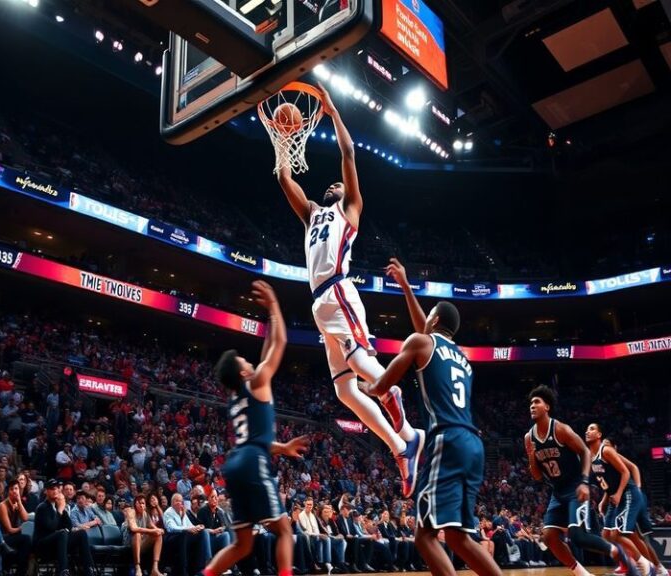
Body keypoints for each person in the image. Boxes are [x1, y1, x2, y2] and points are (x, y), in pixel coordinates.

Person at [275, 84, 423, 496]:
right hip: (320, 303)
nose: (332, 186)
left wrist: (333, 110)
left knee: (363, 368)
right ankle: (400, 446)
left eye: (337, 186)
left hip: (339, 290)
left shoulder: (349, 210)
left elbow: (348, 155)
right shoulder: (311, 215)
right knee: (343, 390)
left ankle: (398, 406)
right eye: (331, 186)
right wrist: (283, 139)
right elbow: (285, 177)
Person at [367, 258, 503, 576]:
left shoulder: (421, 342)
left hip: (448, 440)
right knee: (458, 537)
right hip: (473, 445)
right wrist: (404, 286)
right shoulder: (463, 358)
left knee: (425, 535)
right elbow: (424, 336)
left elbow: (383, 386)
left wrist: (367, 385)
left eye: (428, 316)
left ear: (435, 318)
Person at [201, 281, 309, 576]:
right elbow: (280, 344)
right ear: (243, 372)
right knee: (285, 531)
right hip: (251, 462)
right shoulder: (258, 381)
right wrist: (274, 305)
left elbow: (255, 440)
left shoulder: (237, 396)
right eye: (243, 360)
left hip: (236, 462)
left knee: (242, 545)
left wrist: (283, 448)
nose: (249, 360)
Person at [524, 386, 637, 576]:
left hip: (575, 486)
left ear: (547, 407)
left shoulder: (560, 429)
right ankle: (583, 574)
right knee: (549, 536)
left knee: (578, 537)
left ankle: (617, 552)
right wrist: (531, 456)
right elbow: (536, 476)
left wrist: (584, 482)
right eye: (530, 403)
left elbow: (584, 451)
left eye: (537, 402)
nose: (532, 406)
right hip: (557, 490)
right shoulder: (529, 438)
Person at [585, 424, 656, 576]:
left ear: (599, 435)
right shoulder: (591, 458)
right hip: (614, 496)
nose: (587, 431)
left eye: (591, 429)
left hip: (627, 493)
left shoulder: (606, 450)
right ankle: (626, 564)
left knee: (622, 534)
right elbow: (607, 482)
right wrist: (604, 499)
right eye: (586, 429)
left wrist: (623, 492)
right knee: (606, 536)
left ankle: (647, 565)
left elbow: (626, 471)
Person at [32, 479, 96, 576]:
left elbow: (69, 527)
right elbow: (51, 527)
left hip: (57, 542)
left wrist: (63, 509)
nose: (55, 491)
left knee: (81, 533)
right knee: (62, 533)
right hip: (43, 545)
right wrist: (61, 510)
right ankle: (64, 571)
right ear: (46, 491)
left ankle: (90, 569)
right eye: (52, 489)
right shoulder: (42, 507)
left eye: (57, 488)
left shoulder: (58, 506)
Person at [0, 478, 32, 576]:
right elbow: (10, 530)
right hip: (2, 538)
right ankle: (21, 572)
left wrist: (19, 501)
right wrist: (23, 529)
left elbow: (25, 518)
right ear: (8, 492)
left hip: (12, 537)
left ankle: (22, 571)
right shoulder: (2, 506)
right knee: (26, 538)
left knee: (28, 540)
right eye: (12, 489)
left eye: (16, 489)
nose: (14, 491)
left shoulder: (17, 503)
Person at [122, 494, 164, 576]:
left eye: (143, 503)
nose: (141, 505)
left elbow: (154, 528)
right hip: (129, 543)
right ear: (135, 504)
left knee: (158, 535)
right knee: (137, 534)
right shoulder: (131, 512)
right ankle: (138, 567)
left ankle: (155, 569)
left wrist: (158, 530)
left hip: (141, 543)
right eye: (139, 503)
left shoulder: (146, 514)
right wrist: (153, 531)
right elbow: (134, 528)